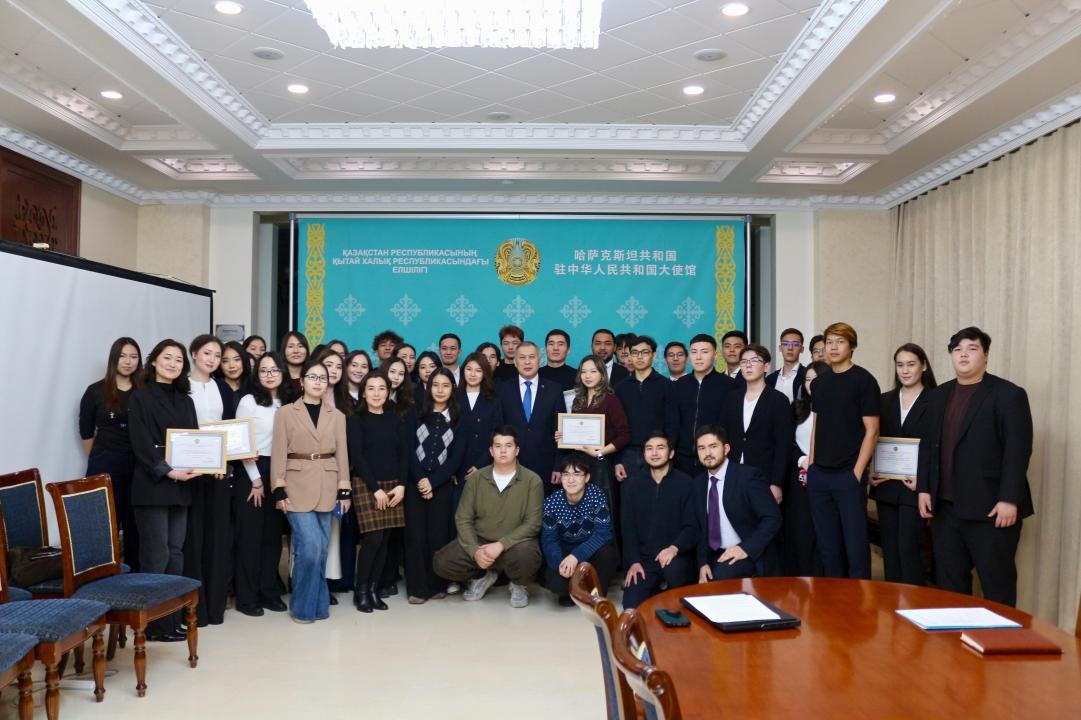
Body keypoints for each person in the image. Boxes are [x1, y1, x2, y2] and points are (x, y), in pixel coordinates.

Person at [917, 327, 1033, 607]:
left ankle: (998, 634)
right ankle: (958, 634)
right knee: (950, 585)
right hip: (945, 509)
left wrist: (1009, 498)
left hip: (991, 509)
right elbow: (928, 446)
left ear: (986, 355)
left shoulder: (1008, 395)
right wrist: (924, 489)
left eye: (972, 348)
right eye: (957, 349)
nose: (963, 355)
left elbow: (1018, 451)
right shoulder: (938, 395)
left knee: (997, 584)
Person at [128, 339, 200, 642]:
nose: (173, 364)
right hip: (153, 484)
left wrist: (202, 465)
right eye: (167, 358)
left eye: (179, 360)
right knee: (156, 555)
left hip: (181, 486)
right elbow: (140, 442)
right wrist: (167, 470)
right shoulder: (140, 398)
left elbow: (195, 440)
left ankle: (171, 620)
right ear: (154, 361)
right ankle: (154, 625)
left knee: (175, 553)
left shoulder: (186, 400)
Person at [270, 359, 351, 623]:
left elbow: (342, 454)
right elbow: (278, 452)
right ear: (302, 381)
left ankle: (319, 605)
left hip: (328, 484)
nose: (318, 382)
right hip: (295, 485)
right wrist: (278, 488)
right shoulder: (285, 413)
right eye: (312, 377)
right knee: (310, 547)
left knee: (321, 549)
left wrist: (344, 489)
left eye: (322, 378)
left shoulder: (337, 416)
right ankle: (302, 608)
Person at [433, 426, 543, 608]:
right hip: (481, 541)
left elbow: (533, 524)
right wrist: (475, 550)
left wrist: (501, 545)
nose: (503, 451)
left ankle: (518, 584)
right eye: (498, 446)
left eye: (508, 446)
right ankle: (482, 576)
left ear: (517, 450)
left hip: (515, 543)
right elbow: (463, 518)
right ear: (491, 451)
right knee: (442, 562)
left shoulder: (533, 480)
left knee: (527, 556)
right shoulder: (476, 479)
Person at [807, 322, 880, 579]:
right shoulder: (820, 383)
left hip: (848, 475)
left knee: (855, 546)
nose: (833, 347)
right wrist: (811, 465)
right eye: (829, 342)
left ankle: (860, 600)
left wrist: (856, 473)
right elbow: (816, 426)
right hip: (819, 475)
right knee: (828, 548)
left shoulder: (864, 381)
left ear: (852, 346)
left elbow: (872, 431)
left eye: (840, 342)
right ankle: (833, 599)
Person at [719, 344, 792, 574]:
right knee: (739, 523)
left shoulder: (778, 400)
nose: (748, 366)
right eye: (744, 362)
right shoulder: (731, 398)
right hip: (734, 473)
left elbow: (783, 445)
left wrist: (776, 482)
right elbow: (723, 436)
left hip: (764, 475)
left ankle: (768, 579)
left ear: (766, 366)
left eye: (754, 361)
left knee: (766, 527)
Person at [871, 343, 936, 586]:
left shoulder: (936, 400)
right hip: (886, 485)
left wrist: (925, 481)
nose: (905, 371)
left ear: (924, 366)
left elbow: (938, 447)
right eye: (900, 365)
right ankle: (892, 604)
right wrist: (870, 471)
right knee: (890, 552)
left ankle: (912, 603)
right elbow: (872, 438)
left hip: (916, 488)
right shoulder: (884, 400)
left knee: (910, 552)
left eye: (911, 364)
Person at [80, 337, 143, 571]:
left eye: (133, 357)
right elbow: (86, 432)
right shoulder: (95, 391)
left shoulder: (145, 391)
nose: (128, 361)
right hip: (105, 462)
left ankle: (135, 576)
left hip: (138, 465)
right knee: (105, 523)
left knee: (135, 524)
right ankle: (103, 576)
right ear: (113, 359)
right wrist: (99, 458)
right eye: (122, 356)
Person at [185, 334, 234, 626]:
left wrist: (224, 459)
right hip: (189, 471)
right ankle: (195, 609)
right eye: (207, 353)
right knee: (193, 538)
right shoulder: (181, 386)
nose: (212, 359)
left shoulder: (222, 388)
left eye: (217, 355)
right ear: (194, 353)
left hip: (218, 471)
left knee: (218, 537)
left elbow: (231, 429)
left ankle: (215, 608)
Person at [233, 352, 288, 616]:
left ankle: (269, 592)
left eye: (274, 370)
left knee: (272, 538)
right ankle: (247, 598)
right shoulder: (248, 401)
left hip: (279, 472)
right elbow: (240, 442)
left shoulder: (288, 402)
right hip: (251, 473)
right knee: (250, 538)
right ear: (257, 374)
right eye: (264, 370)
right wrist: (256, 480)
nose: (269, 375)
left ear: (283, 373)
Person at [348, 372, 408, 613]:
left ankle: (374, 589)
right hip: (367, 484)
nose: (376, 393)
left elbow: (404, 453)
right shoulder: (356, 419)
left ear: (388, 391)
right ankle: (361, 591)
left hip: (393, 485)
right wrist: (375, 489)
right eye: (371, 388)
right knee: (373, 539)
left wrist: (402, 485)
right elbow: (357, 457)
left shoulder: (395, 418)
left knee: (384, 540)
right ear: (363, 392)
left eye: (381, 388)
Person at [405, 368, 465, 604]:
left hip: (441, 486)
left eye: (446, 385)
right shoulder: (415, 413)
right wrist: (421, 479)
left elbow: (456, 458)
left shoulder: (459, 418)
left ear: (453, 389)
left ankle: (436, 584)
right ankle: (417, 588)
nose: (440, 390)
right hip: (415, 484)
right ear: (429, 388)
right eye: (435, 385)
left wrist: (433, 481)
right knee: (415, 537)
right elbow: (409, 449)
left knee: (438, 536)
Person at [693, 426, 782, 582]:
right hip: (714, 553)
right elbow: (701, 528)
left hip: (747, 551)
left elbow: (773, 518)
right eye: (702, 448)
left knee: (721, 576)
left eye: (713, 446)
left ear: (726, 448)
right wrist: (703, 563)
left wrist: (744, 549)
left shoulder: (747, 476)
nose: (707, 453)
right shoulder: (698, 484)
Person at [620, 432, 697, 609]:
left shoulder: (685, 483)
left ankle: (666, 591)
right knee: (631, 607)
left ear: (671, 453)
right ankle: (655, 591)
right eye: (649, 448)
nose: (654, 453)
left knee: (674, 574)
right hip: (645, 560)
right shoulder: (633, 485)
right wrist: (634, 561)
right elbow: (628, 529)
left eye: (660, 448)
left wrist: (674, 548)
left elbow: (692, 526)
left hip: (677, 556)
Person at [564, 355, 631, 543]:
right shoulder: (577, 401)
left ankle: (607, 555)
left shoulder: (611, 400)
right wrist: (563, 436)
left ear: (602, 374)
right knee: (581, 513)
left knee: (602, 514)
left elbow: (624, 435)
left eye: (593, 371)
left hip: (601, 465)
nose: (588, 376)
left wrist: (600, 452)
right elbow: (575, 433)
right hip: (580, 465)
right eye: (584, 372)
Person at [541, 452, 619, 606]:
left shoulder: (596, 495)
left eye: (577, 474)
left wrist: (576, 556)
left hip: (591, 552)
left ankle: (594, 594)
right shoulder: (551, 502)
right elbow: (549, 540)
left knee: (608, 554)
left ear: (587, 477)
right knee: (555, 582)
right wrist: (560, 564)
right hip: (565, 554)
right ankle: (573, 592)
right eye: (566, 474)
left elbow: (603, 534)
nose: (571, 480)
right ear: (561, 477)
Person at [494, 341, 563, 491]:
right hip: (511, 464)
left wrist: (558, 466)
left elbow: (560, 430)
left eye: (531, 357)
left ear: (540, 360)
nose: (527, 362)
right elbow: (498, 428)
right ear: (515, 362)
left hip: (545, 466)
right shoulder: (503, 389)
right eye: (522, 357)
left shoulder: (554, 389)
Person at [614, 335, 679, 483]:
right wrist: (617, 460)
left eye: (644, 352)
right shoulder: (620, 388)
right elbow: (615, 427)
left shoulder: (666, 386)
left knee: (659, 494)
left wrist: (668, 451)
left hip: (658, 452)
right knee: (629, 495)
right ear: (630, 356)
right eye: (635, 353)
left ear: (653, 355)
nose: (639, 357)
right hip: (628, 454)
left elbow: (673, 423)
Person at [787, 361, 830, 576]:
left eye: (816, 379)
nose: (811, 384)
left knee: (824, 531)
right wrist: (802, 460)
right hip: (800, 477)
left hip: (826, 475)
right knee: (801, 529)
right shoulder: (796, 408)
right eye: (807, 379)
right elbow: (787, 442)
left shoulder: (835, 408)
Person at [675, 334, 734, 474]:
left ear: (715, 355)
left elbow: (732, 425)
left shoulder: (729, 386)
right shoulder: (679, 385)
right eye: (694, 352)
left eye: (704, 352)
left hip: (715, 459)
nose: (698, 357)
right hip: (681, 460)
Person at [455, 354, 503, 521]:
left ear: (485, 374)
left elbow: (497, 435)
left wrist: (481, 464)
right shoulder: (454, 397)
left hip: (485, 465)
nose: (473, 374)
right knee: (458, 516)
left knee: (483, 517)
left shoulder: (493, 400)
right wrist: (451, 468)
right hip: (457, 467)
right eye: (469, 369)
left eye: (478, 370)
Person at [766, 328, 807, 402]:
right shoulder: (770, 379)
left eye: (795, 344)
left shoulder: (807, 376)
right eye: (785, 344)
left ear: (802, 349)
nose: (790, 348)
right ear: (780, 348)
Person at [280, 331, 310, 395]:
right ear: (284, 350)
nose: (296, 351)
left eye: (300, 346)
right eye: (290, 346)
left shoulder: (313, 377)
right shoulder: (277, 377)